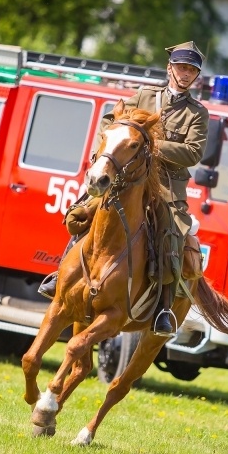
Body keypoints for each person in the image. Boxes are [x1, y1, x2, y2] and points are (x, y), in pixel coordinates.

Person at [38, 41, 210, 336]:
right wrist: (102, 156)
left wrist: (151, 146)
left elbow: (193, 153)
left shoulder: (197, 113)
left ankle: (163, 309)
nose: (185, 74)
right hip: (128, 179)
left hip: (167, 188)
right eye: (181, 68)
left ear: (195, 76)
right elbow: (110, 121)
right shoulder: (145, 96)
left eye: (191, 70)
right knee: (82, 213)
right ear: (170, 69)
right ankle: (60, 276)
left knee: (172, 233)